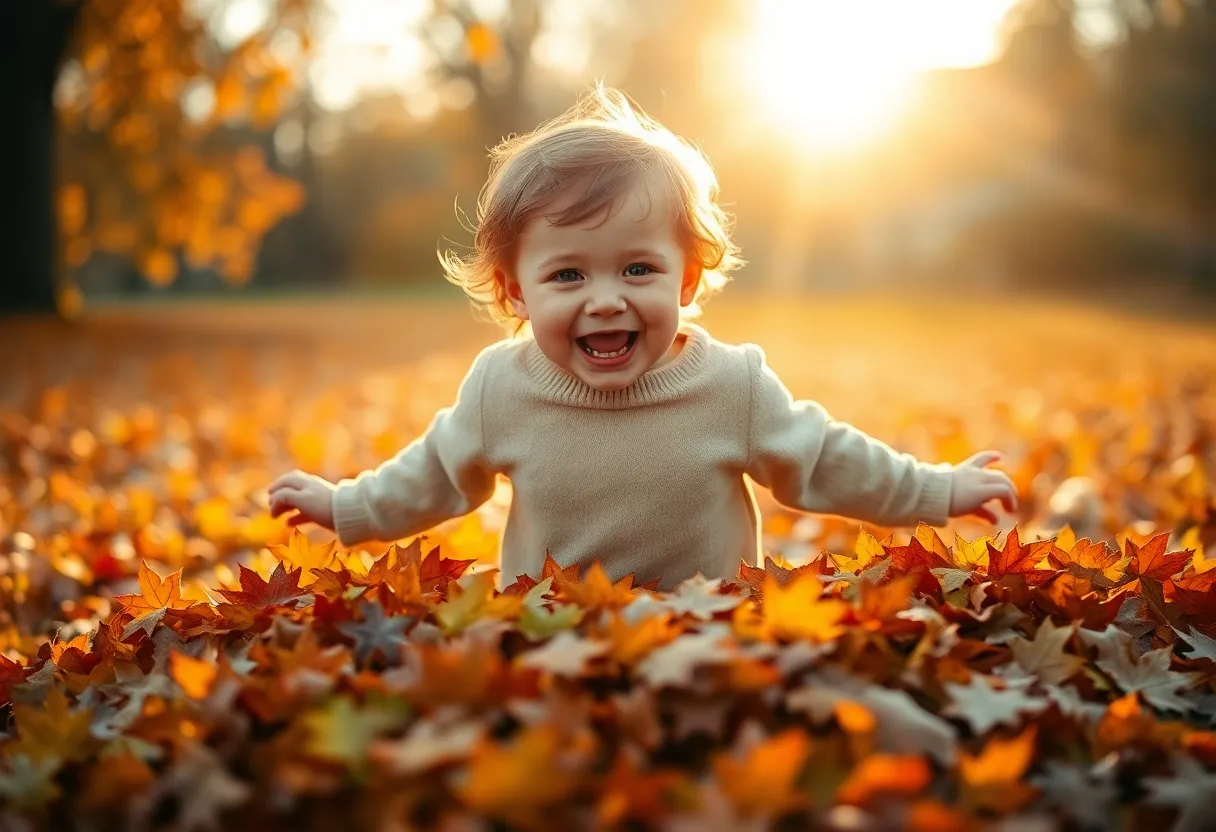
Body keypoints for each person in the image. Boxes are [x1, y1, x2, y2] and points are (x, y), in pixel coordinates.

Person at [267, 85, 1017, 591]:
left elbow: (825, 461)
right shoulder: (501, 390)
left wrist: (938, 490)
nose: (605, 300)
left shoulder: (732, 387)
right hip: (552, 636)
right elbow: (434, 473)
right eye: (567, 275)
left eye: (637, 269)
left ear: (685, 279)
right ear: (515, 291)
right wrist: (346, 506)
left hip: (708, 636)